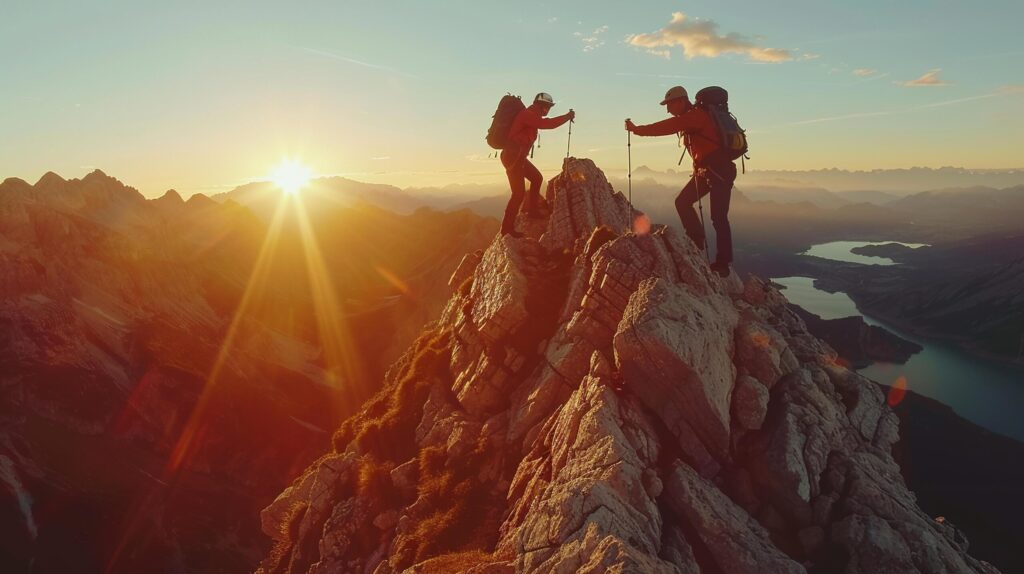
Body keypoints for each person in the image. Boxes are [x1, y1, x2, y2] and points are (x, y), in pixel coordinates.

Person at [625, 86, 737, 277]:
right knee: (683, 202)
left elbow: (665, 127)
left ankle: (723, 263)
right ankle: (696, 241)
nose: (668, 110)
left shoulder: (695, 116)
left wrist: (637, 130)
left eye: (669, 105)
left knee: (718, 217)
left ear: (680, 101)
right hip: (707, 171)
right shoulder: (693, 117)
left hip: (719, 172)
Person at [500, 92, 575, 237]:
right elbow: (548, 124)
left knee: (536, 178)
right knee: (518, 193)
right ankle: (506, 229)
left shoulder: (532, 115)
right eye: (547, 107)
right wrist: (566, 117)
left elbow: (544, 122)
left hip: (516, 157)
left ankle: (532, 211)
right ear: (542, 106)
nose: (548, 110)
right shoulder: (528, 115)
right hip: (512, 157)